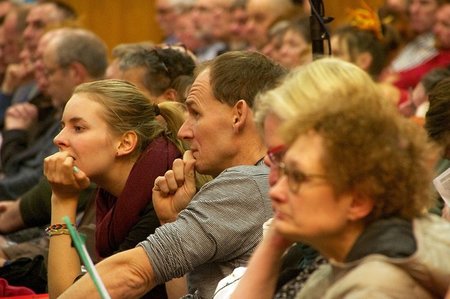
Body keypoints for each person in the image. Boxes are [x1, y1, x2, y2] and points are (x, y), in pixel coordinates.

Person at [56, 50, 287, 299]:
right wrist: (172, 221)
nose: (184, 131)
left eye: (196, 114)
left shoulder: (246, 184)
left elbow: (132, 273)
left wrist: (60, 199)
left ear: (237, 115)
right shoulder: (257, 179)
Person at [233, 57, 450, 299]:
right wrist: (275, 241)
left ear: (358, 198)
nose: (274, 185)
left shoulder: (373, 288)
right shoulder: (345, 256)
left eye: (295, 173)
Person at [44, 79, 189, 298]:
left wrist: (62, 200)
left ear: (124, 143)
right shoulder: (110, 193)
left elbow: (67, 295)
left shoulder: (164, 195)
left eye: (78, 128)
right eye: (62, 127)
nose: (58, 139)